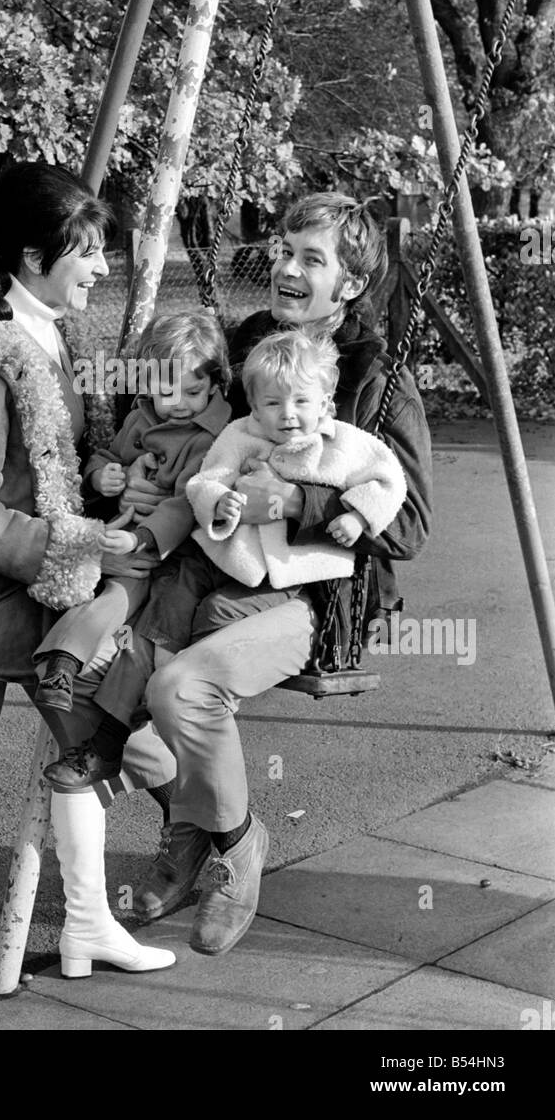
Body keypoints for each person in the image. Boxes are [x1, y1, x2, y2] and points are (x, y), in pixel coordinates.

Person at [0, 163, 176, 1030]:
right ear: (29, 255)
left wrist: (103, 476)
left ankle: (85, 920)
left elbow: (48, 462)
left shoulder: (47, 333)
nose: (99, 271)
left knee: (84, 744)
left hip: (42, 589)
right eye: (85, 255)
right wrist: (83, 541)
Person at [132, 191, 433, 958]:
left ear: (351, 286)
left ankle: (234, 847)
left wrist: (299, 500)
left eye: (310, 259)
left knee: (178, 687)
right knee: (104, 693)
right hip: (220, 568)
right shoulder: (249, 346)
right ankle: (195, 828)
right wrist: (134, 475)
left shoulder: (378, 377)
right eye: (280, 251)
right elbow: (195, 435)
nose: (285, 269)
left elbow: (409, 524)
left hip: (316, 595)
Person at [36, 311, 231, 785]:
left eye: (192, 392)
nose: (178, 404)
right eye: (166, 391)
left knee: (124, 607)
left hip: (165, 553)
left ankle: (65, 664)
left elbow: (188, 502)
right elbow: (114, 456)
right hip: (121, 535)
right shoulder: (143, 417)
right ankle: (67, 674)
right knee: (88, 589)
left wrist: (143, 537)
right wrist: (101, 474)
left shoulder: (213, 438)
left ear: (215, 386)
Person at [141, 329, 407, 653]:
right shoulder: (238, 434)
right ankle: (161, 662)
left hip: (291, 570)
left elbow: (389, 479)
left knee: (218, 611)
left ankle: (194, 673)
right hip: (226, 554)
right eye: (272, 402)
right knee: (174, 589)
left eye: (301, 401)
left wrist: (359, 517)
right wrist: (218, 501)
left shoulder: (341, 443)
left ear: (324, 403)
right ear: (253, 406)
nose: (287, 413)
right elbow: (204, 482)